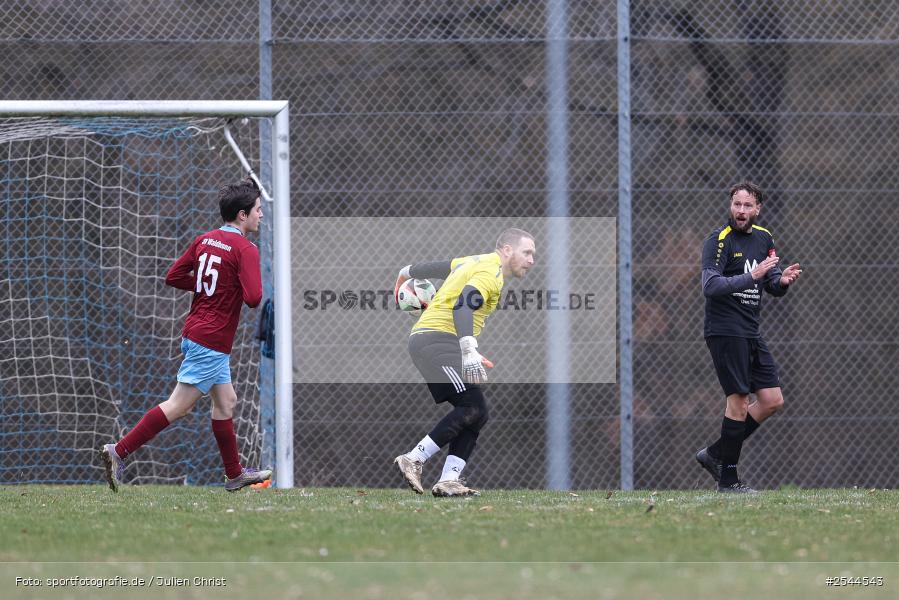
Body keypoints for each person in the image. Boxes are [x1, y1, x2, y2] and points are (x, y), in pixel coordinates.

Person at [99, 179, 273, 492]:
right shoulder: (246, 249)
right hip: (211, 340)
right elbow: (253, 297)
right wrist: (233, 279)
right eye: (258, 211)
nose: (261, 216)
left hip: (198, 332)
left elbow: (174, 276)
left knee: (227, 402)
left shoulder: (205, 239)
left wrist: (210, 286)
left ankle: (234, 475)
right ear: (243, 215)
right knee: (179, 405)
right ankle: (119, 451)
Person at [393, 228, 536, 497]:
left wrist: (406, 272)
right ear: (507, 250)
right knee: (472, 405)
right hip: (437, 341)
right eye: (526, 252)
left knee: (476, 410)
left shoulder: (473, 260)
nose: (531, 260)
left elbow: (438, 267)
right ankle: (413, 459)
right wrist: (468, 348)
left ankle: (449, 481)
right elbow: (462, 306)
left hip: (434, 342)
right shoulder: (489, 274)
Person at [696, 182, 802, 493]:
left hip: (750, 331)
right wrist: (751, 277)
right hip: (725, 330)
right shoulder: (718, 240)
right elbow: (710, 286)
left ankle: (715, 453)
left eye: (747, 206)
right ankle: (728, 481)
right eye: (736, 205)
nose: (741, 211)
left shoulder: (764, 237)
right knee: (739, 401)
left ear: (758, 209)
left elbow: (771, 280)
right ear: (731, 206)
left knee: (771, 400)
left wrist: (781, 280)